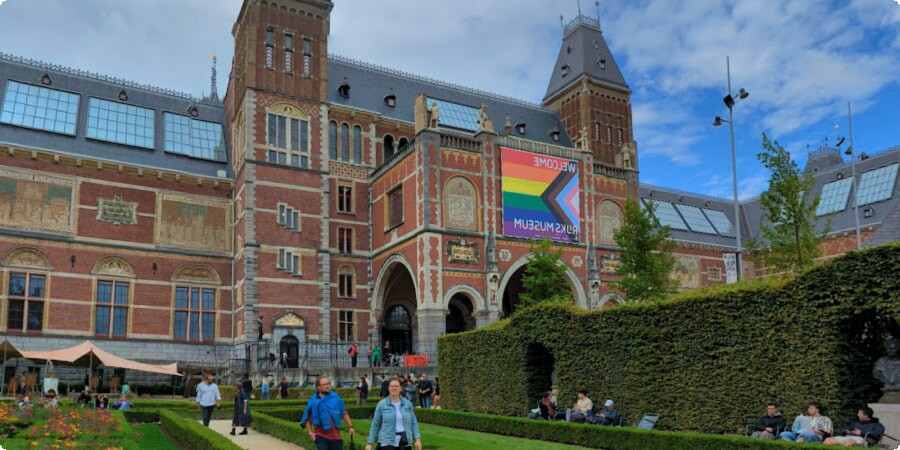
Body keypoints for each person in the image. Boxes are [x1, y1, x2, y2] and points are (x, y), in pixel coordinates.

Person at [365, 378, 423, 450]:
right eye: (392, 386)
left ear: (400, 388)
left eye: (396, 386)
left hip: (404, 442)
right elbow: (375, 424)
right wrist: (370, 443)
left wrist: (417, 439)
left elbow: (413, 423)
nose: (394, 388)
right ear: (389, 388)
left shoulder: (407, 404)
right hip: (387, 442)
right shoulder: (382, 404)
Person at [301, 376, 355, 450]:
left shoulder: (335, 398)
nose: (328, 386)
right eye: (325, 384)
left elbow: (343, 412)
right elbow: (308, 419)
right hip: (321, 436)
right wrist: (310, 434)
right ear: (318, 387)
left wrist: (350, 427)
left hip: (335, 436)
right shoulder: (313, 402)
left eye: (328, 384)